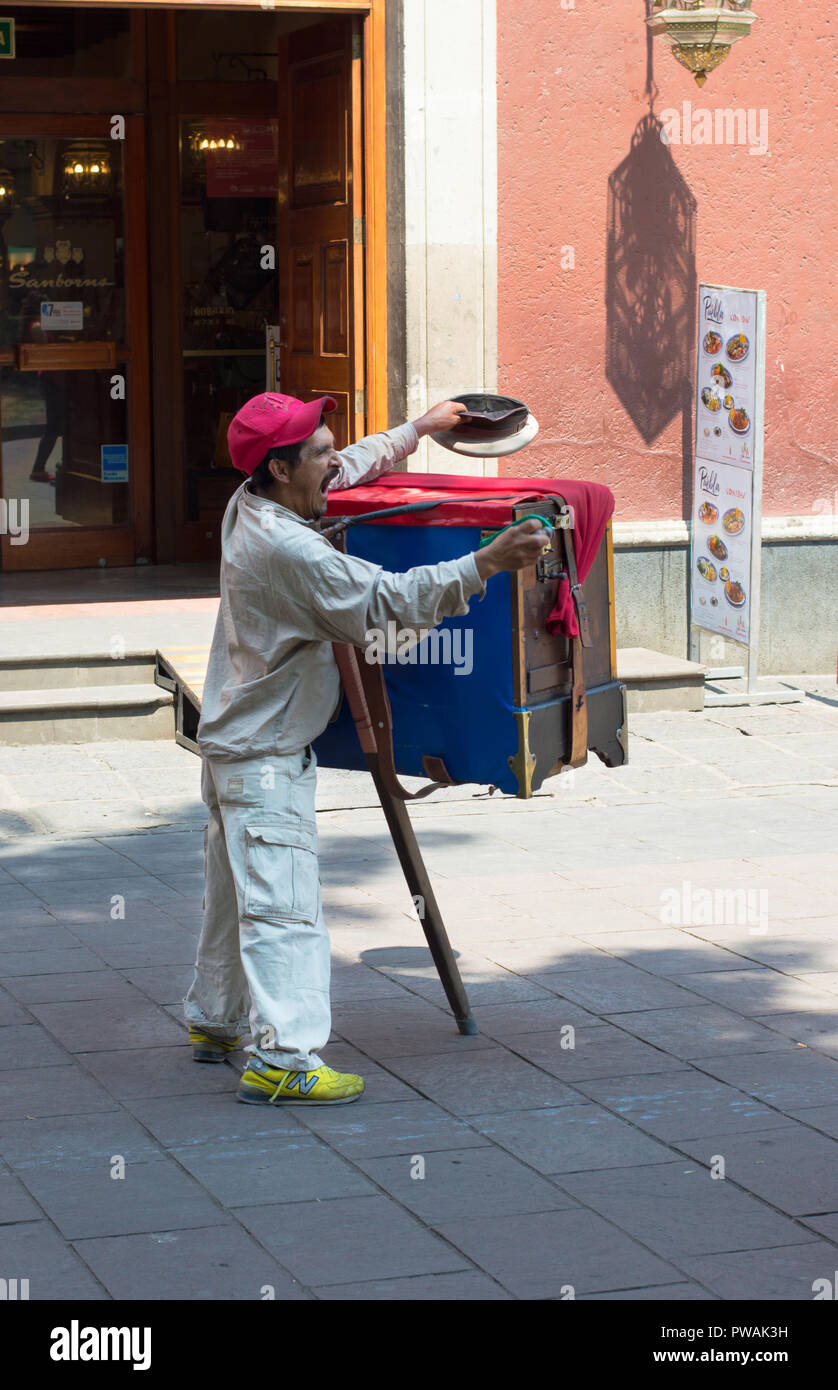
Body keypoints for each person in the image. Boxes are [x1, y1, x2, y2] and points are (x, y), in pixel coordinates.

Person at [184, 392, 551, 1106]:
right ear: (282, 466)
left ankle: (214, 1022)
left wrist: (418, 430)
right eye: (319, 452)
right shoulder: (289, 550)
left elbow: (345, 469)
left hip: (235, 744)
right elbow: (385, 605)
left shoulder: (253, 499)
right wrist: (488, 562)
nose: (333, 461)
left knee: (233, 899)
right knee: (283, 909)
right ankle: (285, 1058)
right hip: (264, 756)